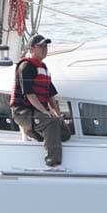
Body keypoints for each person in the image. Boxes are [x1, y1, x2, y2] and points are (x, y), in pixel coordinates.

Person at [10, 34, 70, 168]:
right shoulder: (26, 66)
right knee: (51, 122)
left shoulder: (44, 68)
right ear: (31, 49)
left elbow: (51, 95)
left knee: (65, 133)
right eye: (41, 46)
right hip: (22, 112)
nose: (45, 49)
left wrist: (57, 114)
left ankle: (32, 133)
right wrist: (45, 112)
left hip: (37, 112)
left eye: (46, 46)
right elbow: (30, 94)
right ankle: (53, 162)